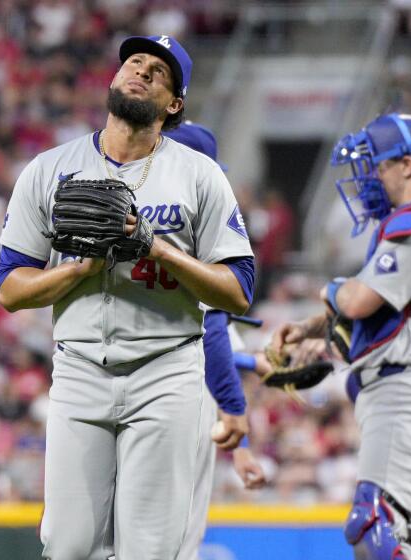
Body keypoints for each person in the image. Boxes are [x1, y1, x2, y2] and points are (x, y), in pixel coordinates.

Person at [0, 36, 255, 559]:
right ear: (114, 79)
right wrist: (81, 268)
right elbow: (9, 287)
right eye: (133, 62)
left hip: (167, 369)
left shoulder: (199, 174)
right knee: (66, 544)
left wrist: (154, 247)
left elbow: (238, 290)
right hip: (80, 368)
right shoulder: (50, 168)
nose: (141, 71)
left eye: (158, 71)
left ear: (174, 103)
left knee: (150, 548)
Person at [271, 113, 411, 559]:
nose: (372, 177)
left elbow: (356, 302)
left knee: (373, 527)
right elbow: (372, 304)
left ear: (409, 165)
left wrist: (328, 290)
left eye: (379, 165)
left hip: (407, 391)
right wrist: (308, 328)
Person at [164, 121, 266, 560]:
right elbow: (212, 335)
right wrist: (237, 415)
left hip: (112, 387)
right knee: (174, 538)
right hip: (177, 401)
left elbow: (212, 345)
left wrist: (252, 365)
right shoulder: (201, 240)